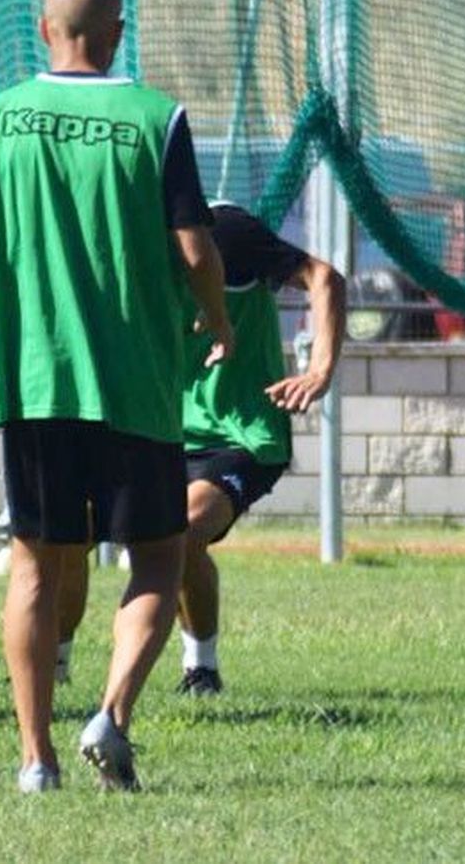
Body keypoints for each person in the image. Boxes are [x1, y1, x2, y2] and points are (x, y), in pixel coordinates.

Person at [0, 0, 235, 793]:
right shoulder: (155, 117)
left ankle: (35, 758)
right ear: (118, 33)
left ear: (43, 28)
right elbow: (196, 248)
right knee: (158, 563)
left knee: (34, 566)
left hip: (35, 385)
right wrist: (221, 318)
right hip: (134, 384)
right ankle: (113, 712)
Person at [54, 201, 346, 697]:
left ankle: (201, 670)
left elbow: (325, 278)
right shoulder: (118, 249)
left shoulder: (228, 232)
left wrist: (319, 370)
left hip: (240, 434)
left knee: (181, 530)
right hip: (153, 429)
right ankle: (52, 670)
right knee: (63, 534)